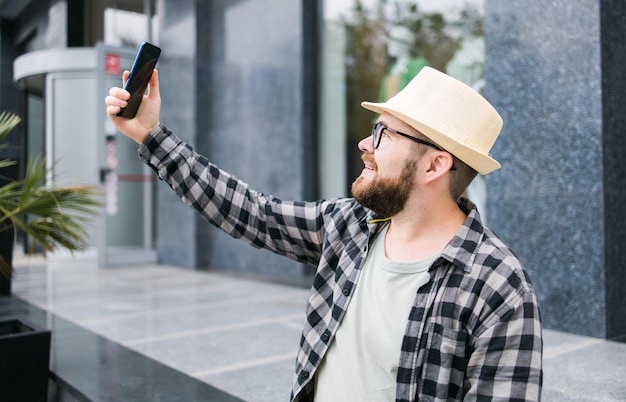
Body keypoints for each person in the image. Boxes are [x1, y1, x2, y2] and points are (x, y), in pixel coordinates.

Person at [105, 66, 543, 402]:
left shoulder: (497, 284)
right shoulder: (352, 225)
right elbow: (254, 214)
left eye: (383, 133)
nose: (364, 145)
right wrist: (150, 135)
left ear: (435, 165)